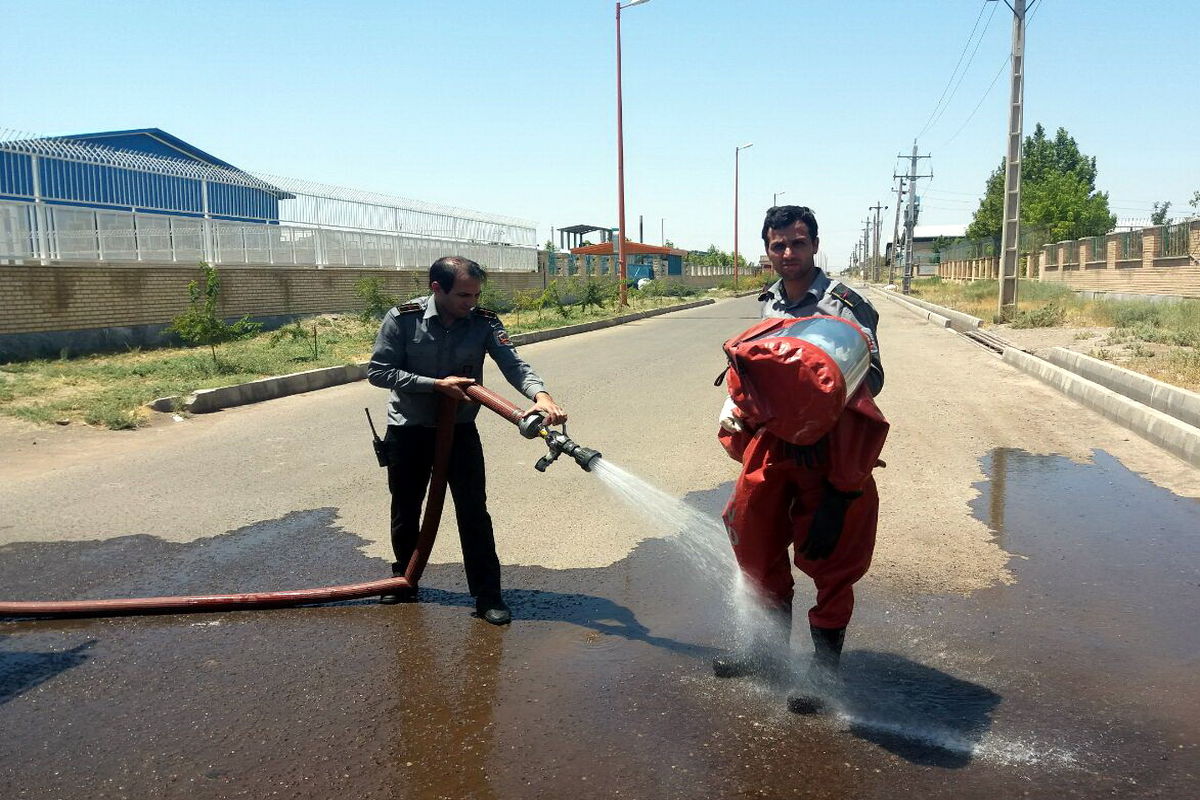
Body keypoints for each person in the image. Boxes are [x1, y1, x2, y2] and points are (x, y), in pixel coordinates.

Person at [714, 205, 886, 713]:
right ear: (767, 250)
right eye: (778, 245)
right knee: (755, 541)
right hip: (773, 444)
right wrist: (740, 402)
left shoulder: (846, 304)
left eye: (797, 243)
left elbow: (871, 379)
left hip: (831, 448)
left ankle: (822, 672)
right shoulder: (768, 302)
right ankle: (766, 653)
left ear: (814, 245)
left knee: (832, 556)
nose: (788, 254)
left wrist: (818, 389)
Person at [367, 256, 566, 625]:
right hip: (409, 429)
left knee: (474, 512)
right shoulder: (402, 318)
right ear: (436, 289)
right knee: (406, 508)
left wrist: (540, 396)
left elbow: (514, 364)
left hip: (459, 431)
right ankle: (403, 579)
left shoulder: (484, 322)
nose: (470, 302)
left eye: (475, 294)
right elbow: (379, 372)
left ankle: (488, 595)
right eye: (463, 295)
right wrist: (434, 385)